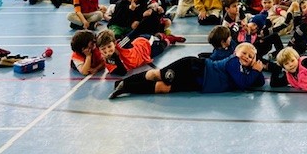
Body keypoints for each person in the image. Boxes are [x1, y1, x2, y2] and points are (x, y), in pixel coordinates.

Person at [108, 43, 265, 98]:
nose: (246, 57)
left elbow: (260, 82)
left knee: (163, 88)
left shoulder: (246, 71)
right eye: (244, 53)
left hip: (198, 83)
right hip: (194, 68)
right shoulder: (233, 62)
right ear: (236, 52)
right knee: (158, 75)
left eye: (251, 57)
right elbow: (243, 83)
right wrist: (255, 70)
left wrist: (255, 68)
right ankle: (124, 82)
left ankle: (126, 88)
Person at [96, 29, 170, 76]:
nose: (107, 51)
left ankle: (162, 37)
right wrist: (115, 57)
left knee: (163, 45)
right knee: (160, 43)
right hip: (144, 53)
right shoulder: (108, 60)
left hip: (146, 46)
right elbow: (122, 72)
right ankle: (159, 36)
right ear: (99, 49)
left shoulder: (121, 44)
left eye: (109, 46)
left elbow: (134, 33)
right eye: (103, 49)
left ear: (115, 43)